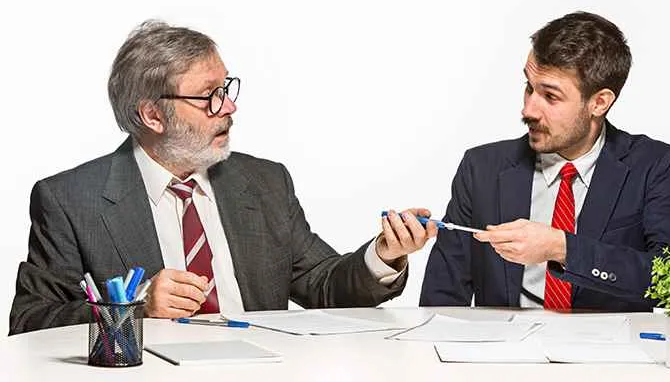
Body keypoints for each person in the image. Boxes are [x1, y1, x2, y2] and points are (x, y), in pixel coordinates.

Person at [10, 20, 437, 335]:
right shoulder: (69, 199)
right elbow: (30, 320)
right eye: (208, 96)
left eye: (226, 89)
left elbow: (324, 287)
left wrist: (384, 254)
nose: (228, 107)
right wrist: (135, 306)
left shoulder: (266, 182)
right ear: (152, 115)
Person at [420, 11, 670, 311]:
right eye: (529, 87)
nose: (528, 110)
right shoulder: (481, 168)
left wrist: (563, 248)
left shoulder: (654, 166)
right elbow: (441, 300)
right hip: (504, 341)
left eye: (550, 96)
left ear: (599, 102)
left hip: (608, 342)